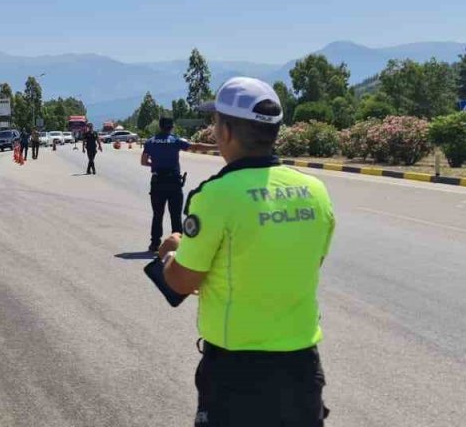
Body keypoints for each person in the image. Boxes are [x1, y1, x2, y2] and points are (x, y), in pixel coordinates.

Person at [155, 77, 335, 426]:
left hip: (237, 372)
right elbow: (309, 261)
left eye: (215, 120)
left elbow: (180, 281)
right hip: (302, 367)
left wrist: (169, 254)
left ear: (225, 132)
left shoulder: (216, 196)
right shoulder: (315, 191)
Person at [140, 116, 218, 253]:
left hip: (157, 182)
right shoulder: (175, 140)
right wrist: (217, 146)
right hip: (173, 182)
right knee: (175, 215)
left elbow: (144, 161)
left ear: (160, 126)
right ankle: (178, 244)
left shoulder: (150, 142)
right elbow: (195, 146)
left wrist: (156, 164)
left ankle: (154, 244)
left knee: (157, 214)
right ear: (171, 127)